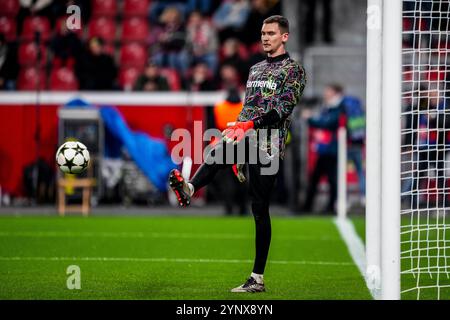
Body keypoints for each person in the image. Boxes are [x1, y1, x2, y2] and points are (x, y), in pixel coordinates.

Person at [168, 15, 306, 292]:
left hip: (269, 144)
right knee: (218, 149)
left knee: (259, 208)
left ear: (285, 37)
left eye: (271, 33)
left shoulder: (293, 70)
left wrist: (249, 126)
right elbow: (247, 108)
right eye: (263, 33)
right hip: (246, 137)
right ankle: (190, 187)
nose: (265, 37)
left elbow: (282, 110)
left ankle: (257, 277)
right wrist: (238, 137)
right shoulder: (255, 69)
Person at [301, 84, 344, 214]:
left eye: (328, 91)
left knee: (331, 179)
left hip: (332, 150)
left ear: (335, 92)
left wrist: (310, 118)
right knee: (318, 178)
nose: (326, 93)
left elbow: (327, 123)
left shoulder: (338, 108)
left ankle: (330, 207)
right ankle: (310, 206)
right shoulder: (330, 107)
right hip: (326, 149)